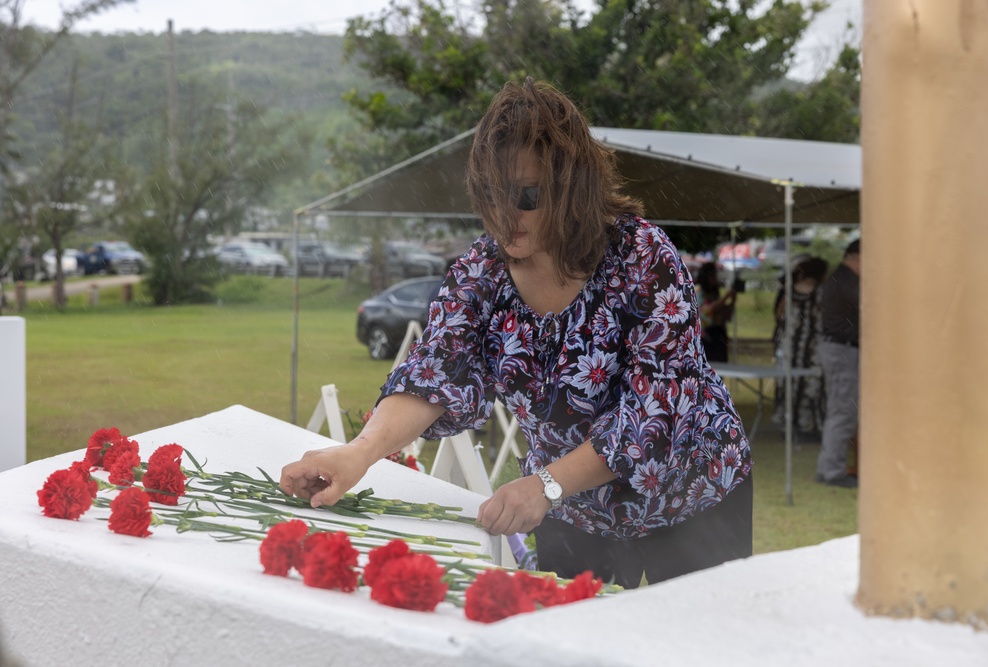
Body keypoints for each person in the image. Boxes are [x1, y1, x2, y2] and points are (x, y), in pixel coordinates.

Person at [280, 78, 753, 588]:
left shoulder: (643, 257)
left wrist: (547, 484)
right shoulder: (481, 273)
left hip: (691, 500)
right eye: (490, 195)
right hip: (571, 512)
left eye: (527, 195)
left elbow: (655, 412)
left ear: (574, 185)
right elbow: (433, 371)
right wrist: (361, 451)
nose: (506, 215)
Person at [815, 239, 860, 488]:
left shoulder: (840, 278)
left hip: (838, 348)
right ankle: (832, 470)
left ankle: (829, 467)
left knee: (839, 409)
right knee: (843, 411)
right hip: (842, 349)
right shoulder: (846, 281)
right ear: (856, 257)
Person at [772, 255, 829, 439]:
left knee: (789, 384)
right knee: (812, 386)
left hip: (790, 345)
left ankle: (788, 425)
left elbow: (779, 315)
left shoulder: (790, 291)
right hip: (813, 347)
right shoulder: (821, 292)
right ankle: (809, 426)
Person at [696, 261, 737, 363]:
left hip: (719, 336)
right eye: (712, 276)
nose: (715, 278)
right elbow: (708, 310)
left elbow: (725, 315)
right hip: (706, 338)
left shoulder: (715, 295)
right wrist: (725, 297)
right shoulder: (699, 293)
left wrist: (732, 301)